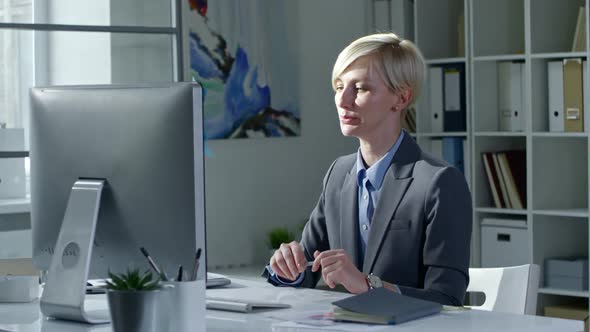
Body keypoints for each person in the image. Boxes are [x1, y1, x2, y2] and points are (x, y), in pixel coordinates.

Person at [264, 32, 472, 306]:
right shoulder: (338, 173)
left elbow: (447, 300)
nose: (342, 100)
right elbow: (308, 270)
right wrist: (287, 268)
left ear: (401, 98)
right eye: (339, 87)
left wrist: (368, 286)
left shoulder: (440, 182)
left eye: (360, 89)